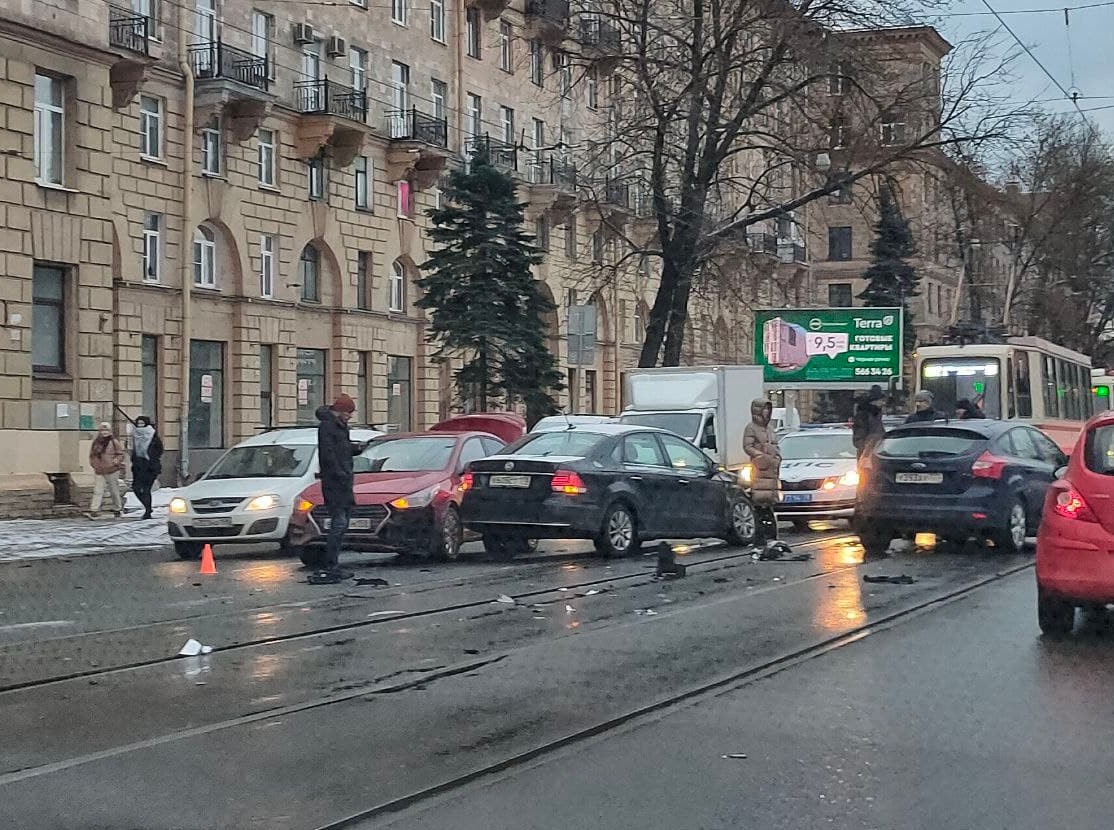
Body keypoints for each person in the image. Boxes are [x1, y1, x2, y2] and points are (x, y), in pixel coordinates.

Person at [314, 394, 368, 584]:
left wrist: (356, 448)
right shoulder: (328, 427)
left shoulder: (339, 427)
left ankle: (333, 564)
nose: (350, 416)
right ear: (340, 411)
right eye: (348, 412)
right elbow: (327, 454)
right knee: (339, 523)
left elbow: (341, 449)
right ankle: (330, 564)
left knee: (342, 523)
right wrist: (339, 473)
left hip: (343, 482)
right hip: (336, 483)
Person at [743, 397, 782, 541]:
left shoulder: (770, 428)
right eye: (763, 409)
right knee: (759, 504)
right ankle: (761, 537)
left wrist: (777, 457)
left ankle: (771, 536)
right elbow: (748, 446)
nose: (766, 412)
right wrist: (761, 457)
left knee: (769, 505)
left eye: (768, 409)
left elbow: (776, 445)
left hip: (772, 471)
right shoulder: (751, 427)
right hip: (760, 471)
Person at [88, 422, 125, 518]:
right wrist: (94, 464)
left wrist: (116, 461)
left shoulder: (114, 442)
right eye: (102, 430)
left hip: (112, 470)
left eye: (106, 430)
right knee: (98, 490)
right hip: (99, 470)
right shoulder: (96, 442)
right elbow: (92, 455)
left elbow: (120, 454)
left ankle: (117, 508)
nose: (104, 432)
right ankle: (94, 509)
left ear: (110, 431)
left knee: (114, 490)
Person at [131, 416, 164, 520]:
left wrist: (152, 457)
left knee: (146, 489)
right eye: (138, 423)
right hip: (138, 466)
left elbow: (160, 449)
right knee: (136, 488)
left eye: (142, 423)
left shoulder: (152, 434)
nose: (140, 425)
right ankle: (147, 507)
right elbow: (134, 450)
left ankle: (147, 511)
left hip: (150, 467)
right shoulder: (135, 434)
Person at [852, 385, 887, 460]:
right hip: (868, 454)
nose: (883, 403)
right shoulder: (864, 415)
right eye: (881, 400)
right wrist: (866, 451)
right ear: (874, 401)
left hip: (877, 452)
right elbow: (860, 435)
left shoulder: (877, 414)